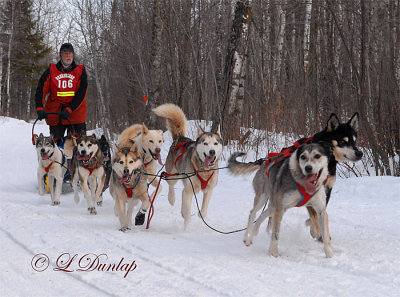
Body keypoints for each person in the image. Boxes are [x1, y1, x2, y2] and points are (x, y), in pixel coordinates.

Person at [35, 42, 88, 147]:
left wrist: (69, 109)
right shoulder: (51, 71)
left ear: (73, 55)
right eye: (65, 53)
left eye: (70, 53)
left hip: (75, 114)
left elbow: (81, 94)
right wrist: (39, 108)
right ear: (60, 55)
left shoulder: (80, 71)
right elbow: (41, 90)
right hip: (56, 115)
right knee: (55, 147)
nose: (68, 56)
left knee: (79, 147)